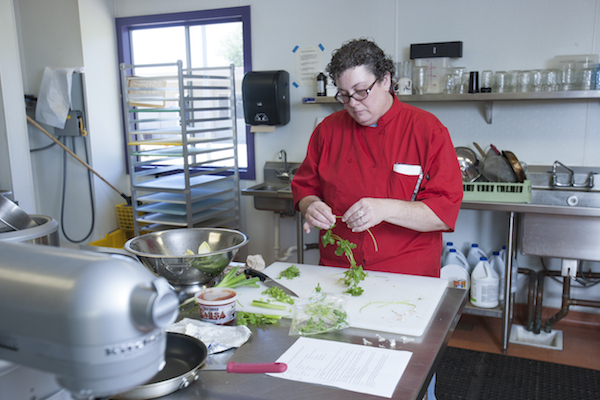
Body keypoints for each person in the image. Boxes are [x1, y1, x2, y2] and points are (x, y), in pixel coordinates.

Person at [291, 38, 463, 278]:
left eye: (361, 92)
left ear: (385, 80)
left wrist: (384, 208)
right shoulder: (327, 131)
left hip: (406, 273)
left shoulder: (427, 131)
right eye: (344, 95)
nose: (353, 104)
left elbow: (442, 214)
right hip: (338, 269)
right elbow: (305, 188)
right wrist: (310, 206)